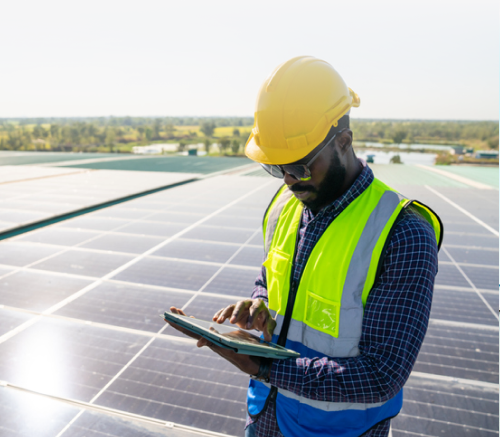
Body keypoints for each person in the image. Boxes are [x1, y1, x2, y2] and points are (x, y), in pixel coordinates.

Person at [167, 56, 443, 437]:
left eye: (298, 166)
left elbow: (381, 376)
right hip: (266, 415)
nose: (288, 180)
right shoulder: (286, 207)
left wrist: (264, 367)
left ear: (343, 142)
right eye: (276, 167)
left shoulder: (401, 232)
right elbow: (272, 281)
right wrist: (258, 306)